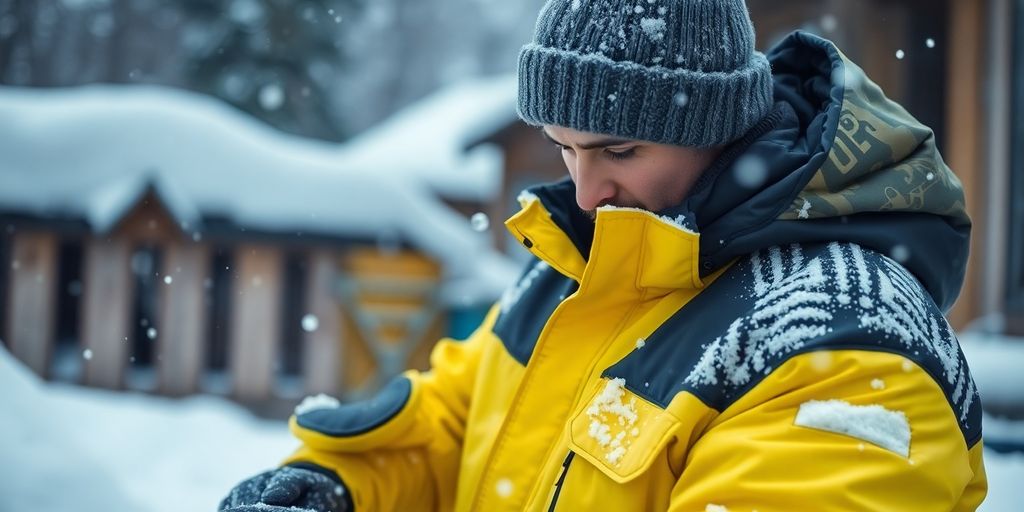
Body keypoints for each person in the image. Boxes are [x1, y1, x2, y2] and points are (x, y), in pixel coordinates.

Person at [219, 0, 988, 510]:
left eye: (618, 149)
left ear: (718, 122)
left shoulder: (847, 339)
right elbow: (464, 417)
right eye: (564, 151)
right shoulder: (585, 261)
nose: (586, 194)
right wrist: (333, 484)